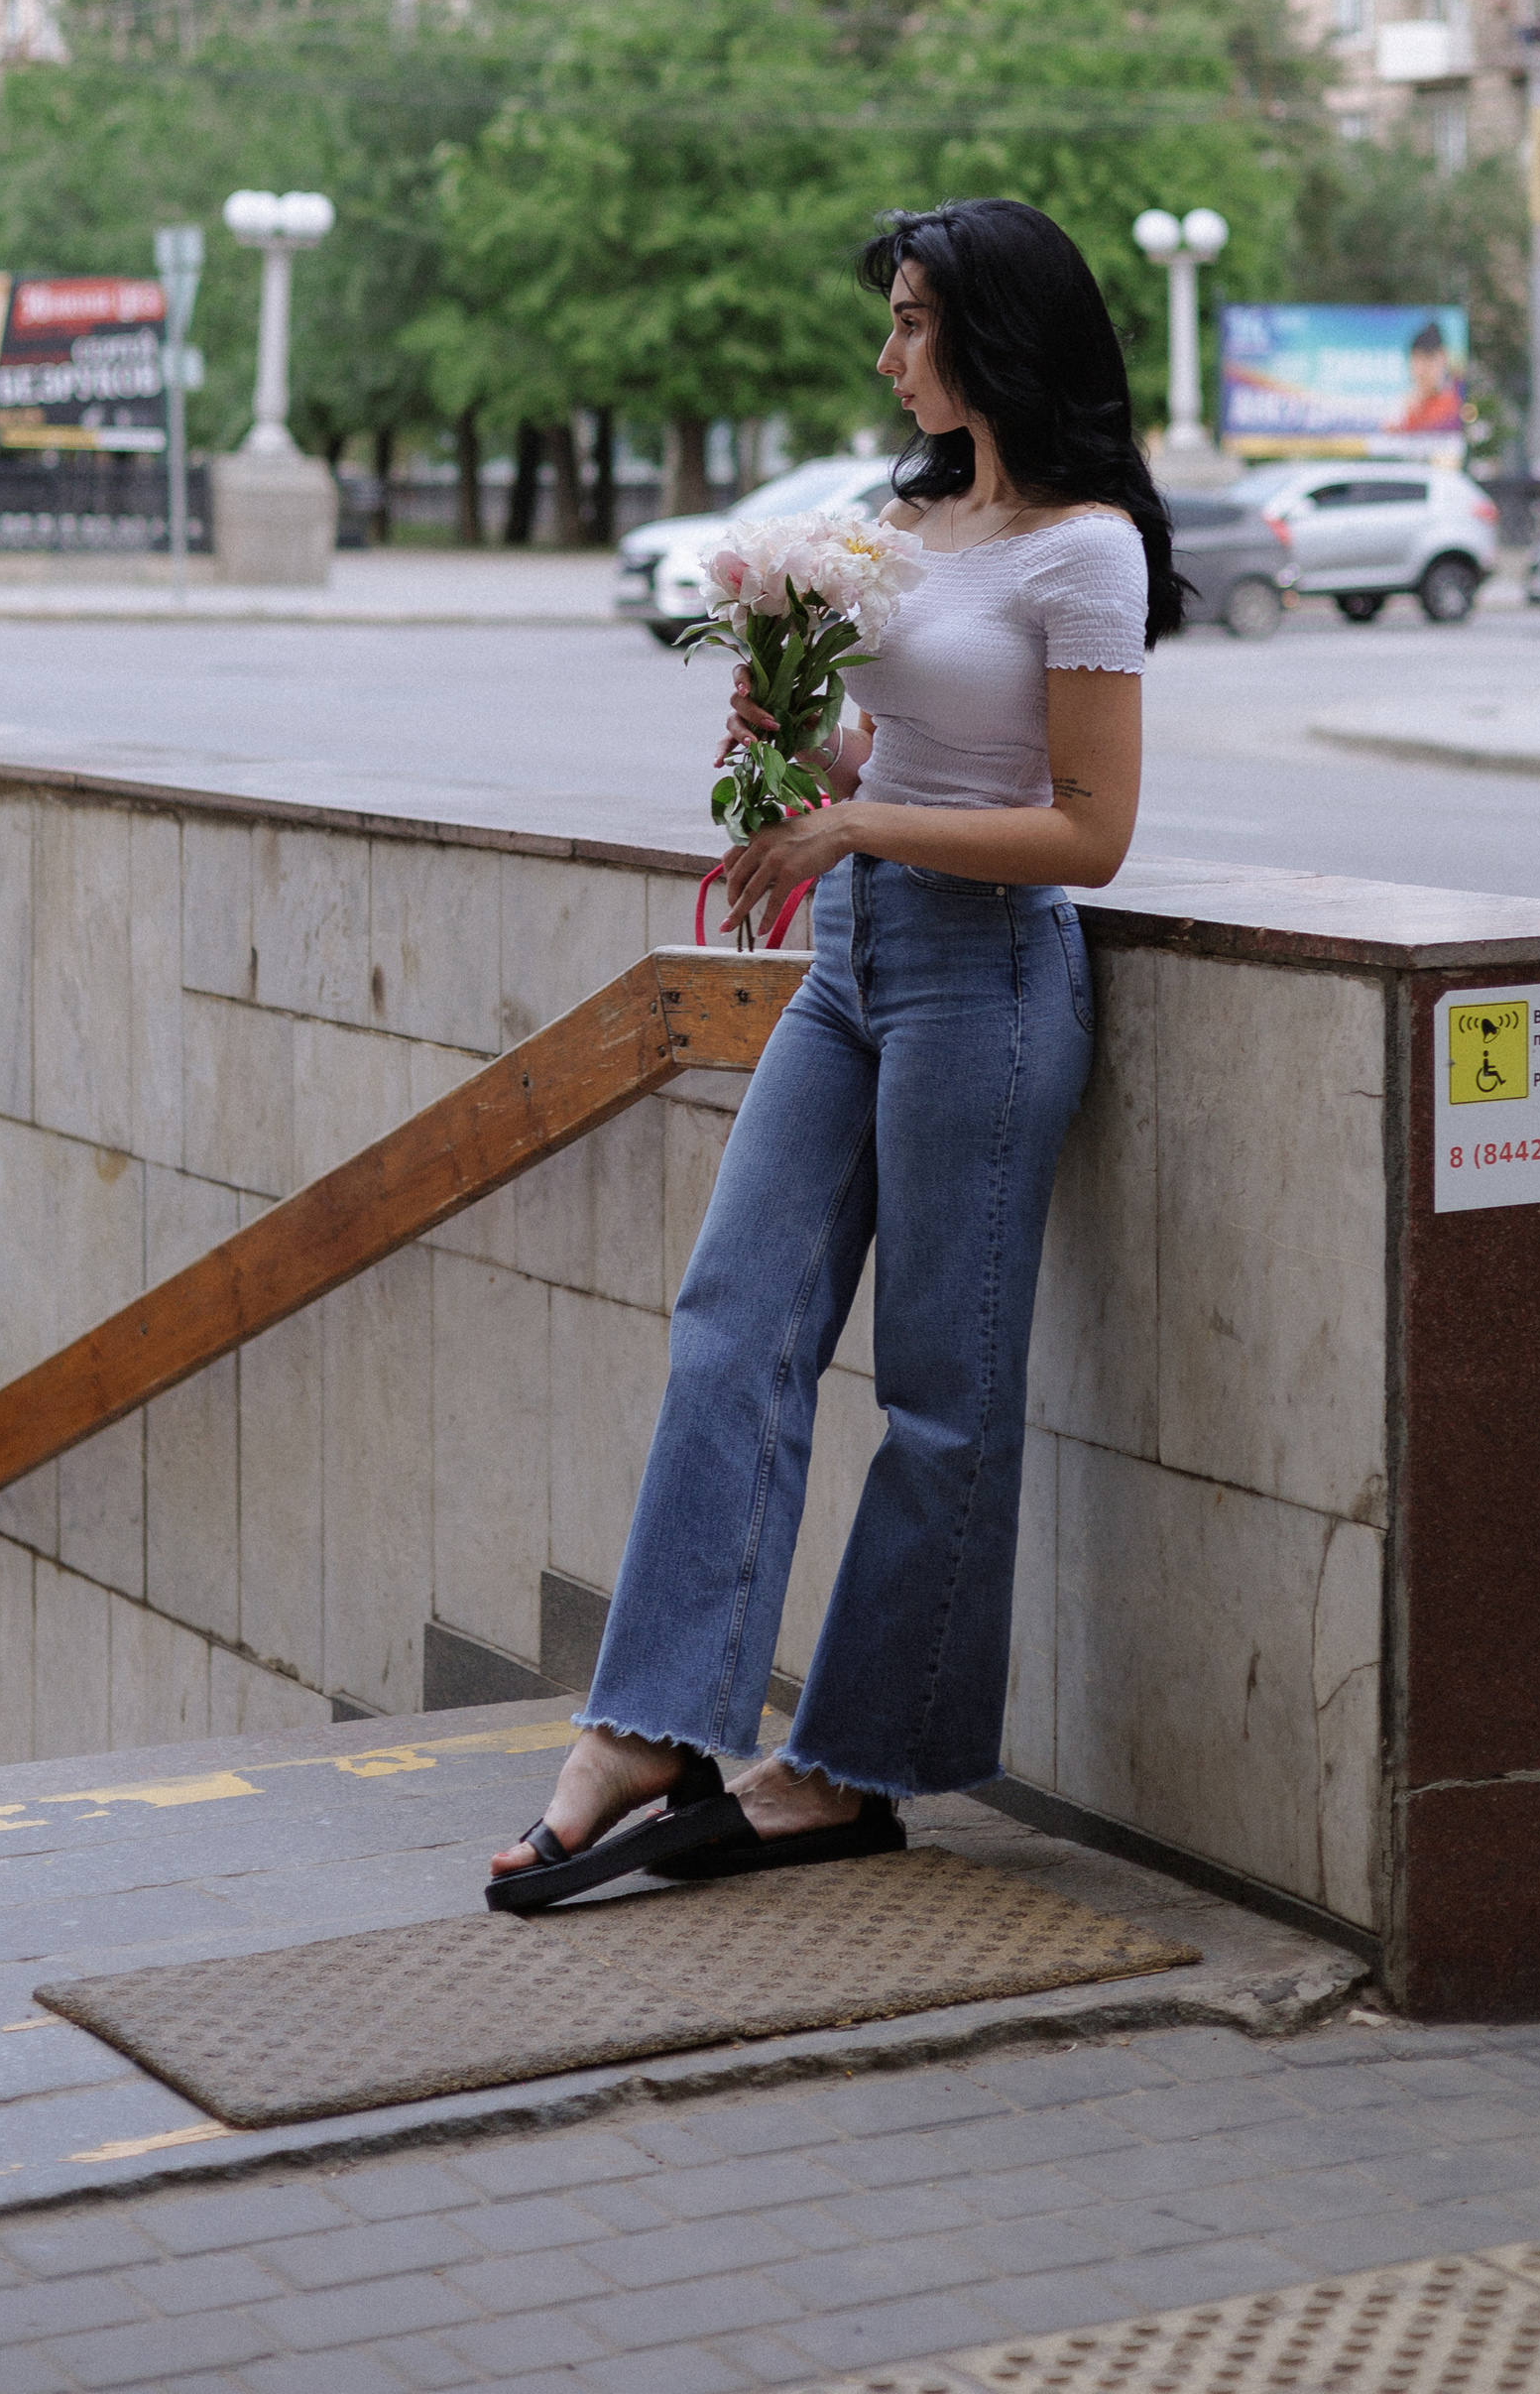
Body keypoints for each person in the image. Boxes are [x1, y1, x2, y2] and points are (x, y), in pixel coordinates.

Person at [490, 197, 1182, 1910]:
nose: (888, 359)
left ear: (997, 336)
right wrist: (805, 739)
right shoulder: (909, 515)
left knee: (945, 1398)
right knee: (738, 1319)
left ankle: (849, 1770)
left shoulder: (1084, 549)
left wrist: (857, 811)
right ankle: (649, 1724)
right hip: (856, 955)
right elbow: (925, 733)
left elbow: (1090, 834)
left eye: (912, 325)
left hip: (988, 979)